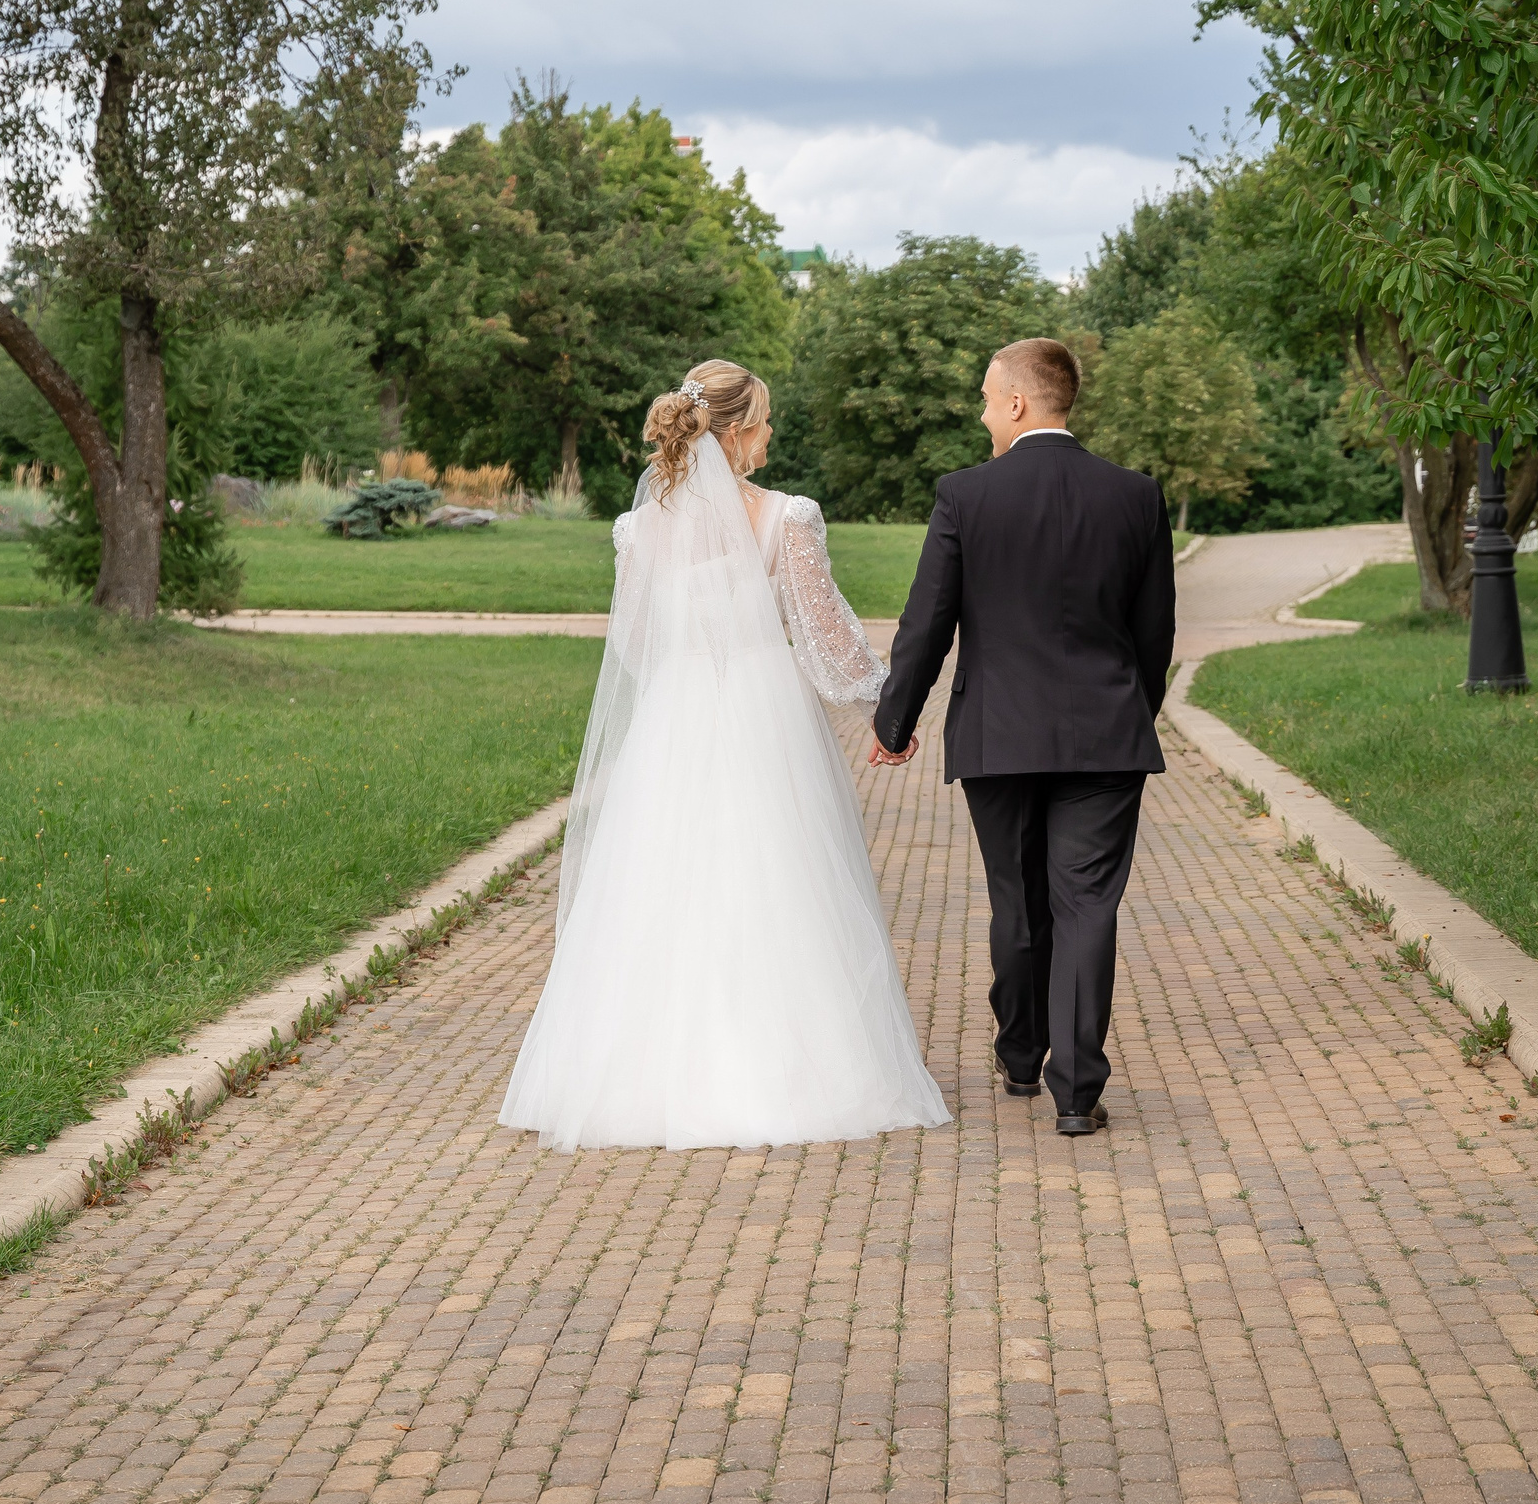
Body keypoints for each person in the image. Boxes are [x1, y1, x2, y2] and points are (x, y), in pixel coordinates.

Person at [499, 360, 949, 1151]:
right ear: (736, 432)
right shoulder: (785, 517)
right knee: (772, 873)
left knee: (660, 880)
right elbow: (825, 639)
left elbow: (634, 644)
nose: (771, 435)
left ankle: (633, 1075)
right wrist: (888, 707)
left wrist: (689, 668)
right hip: (760, 710)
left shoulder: (639, 529)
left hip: (675, 714)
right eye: (766, 421)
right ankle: (783, 1067)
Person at [869, 338, 1175, 1137]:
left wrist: (894, 720)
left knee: (1018, 898)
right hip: (1107, 736)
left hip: (997, 735)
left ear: (1016, 403)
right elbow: (1155, 635)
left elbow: (927, 621)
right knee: (1085, 905)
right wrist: (1131, 711)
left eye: (984, 397)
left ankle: (1019, 1054)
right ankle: (1077, 1093)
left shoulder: (966, 496)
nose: (980, 413)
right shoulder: (1136, 496)